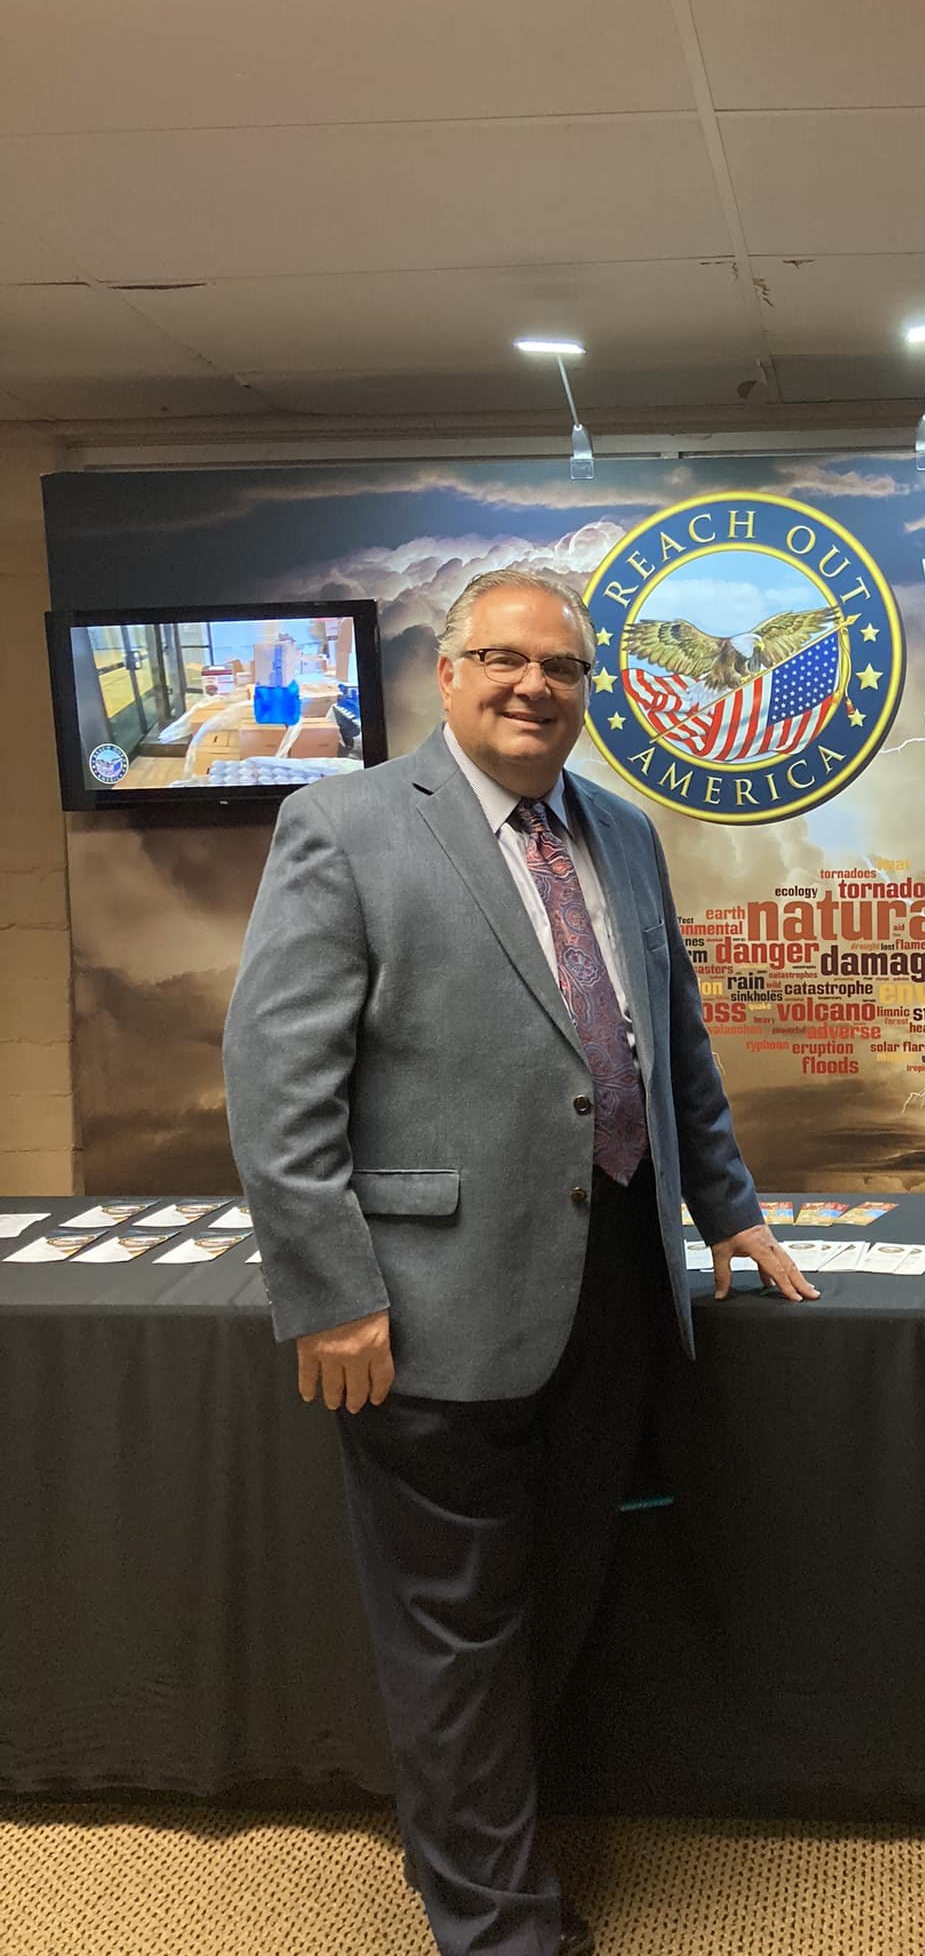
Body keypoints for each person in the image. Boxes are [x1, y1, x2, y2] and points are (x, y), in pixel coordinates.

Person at [224, 567, 815, 1956]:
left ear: (589, 689)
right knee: (455, 1631)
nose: (532, 686)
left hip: (610, 1284)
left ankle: (471, 1846)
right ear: (449, 673)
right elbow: (275, 1082)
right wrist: (333, 1288)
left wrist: (727, 1210)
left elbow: (666, 1044)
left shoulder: (621, 830)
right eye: (502, 659)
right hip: (426, 1309)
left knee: (554, 1597)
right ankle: (496, 1926)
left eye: (559, 667)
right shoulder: (347, 825)